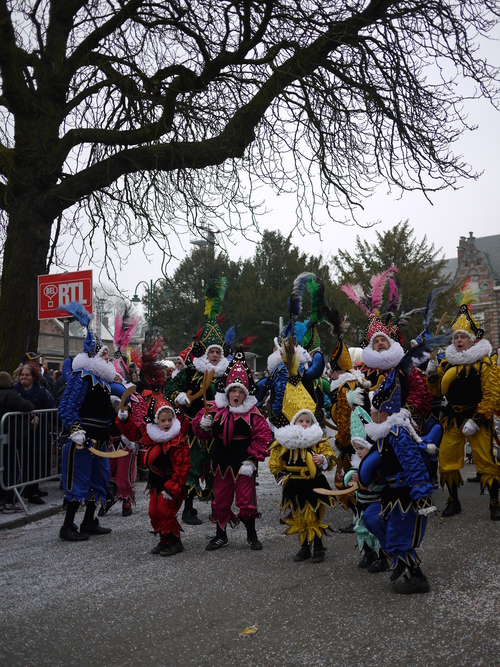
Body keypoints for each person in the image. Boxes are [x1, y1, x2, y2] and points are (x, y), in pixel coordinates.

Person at [358, 370, 435, 594]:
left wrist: (421, 493)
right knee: (373, 519)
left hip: (405, 495)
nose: (370, 416)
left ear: (381, 413)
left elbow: (413, 464)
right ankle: (400, 561)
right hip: (391, 493)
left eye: (372, 411)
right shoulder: (385, 434)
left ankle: (417, 578)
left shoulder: (398, 433)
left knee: (399, 537)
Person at [426, 288, 500, 520]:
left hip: (478, 419)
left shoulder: (485, 364)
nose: (458, 340)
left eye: (463, 337)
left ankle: (495, 503)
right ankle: (453, 501)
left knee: (487, 462)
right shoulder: (446, 363)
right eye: (456, 337)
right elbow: (437, 392)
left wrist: (478, 420)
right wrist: (430, 376)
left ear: (472, 340)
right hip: (452, 418)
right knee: (446, 461)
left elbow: (492, 395)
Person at [165, 277, 231, 524]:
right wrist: (178, 396)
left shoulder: (229, 374)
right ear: (204, 353)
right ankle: (188, 509)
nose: (214, 355)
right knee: (192, 469)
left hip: (218, 430)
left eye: (217, 352)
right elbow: (169, 387)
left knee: (215, 470)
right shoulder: (191, 371)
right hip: (193, 429)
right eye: (211, 352)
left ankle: (217, 508)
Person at [192, 350, 272, 551]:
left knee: (246, 501)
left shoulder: (254, 415)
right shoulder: (214, 409)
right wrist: (203, 425)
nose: (236, 395)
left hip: (243, 462)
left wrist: (251, 460)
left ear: (246, 394)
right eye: (233, 391)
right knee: (220, 500)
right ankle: (221, 536)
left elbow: (263, 439)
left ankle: (252, 536)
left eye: (240, 392)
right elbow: (201, 434)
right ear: (227, 392)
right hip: (220, 461)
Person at [57, 301, 122, 542]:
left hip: (101, 441)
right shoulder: (82, 376)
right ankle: (67, 526)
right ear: (92, 355)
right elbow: (67, 405)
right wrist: (74, 428)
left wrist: (118, 419)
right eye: (103, 353)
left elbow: (106, 412)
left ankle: (88, 522)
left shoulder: (104, 382)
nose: (107, 356)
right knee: (79, 481)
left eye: (107, 353)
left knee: (99, 480)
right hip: (82, 439)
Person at [117, 395, 190, 556]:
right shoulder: (151, 435)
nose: (167, 424)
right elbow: (133, 433)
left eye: (169, 420)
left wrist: (174, 487)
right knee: (153, 512)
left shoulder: (177, 440)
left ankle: (175, 542)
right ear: (157, 422)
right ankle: (164, 540)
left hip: (171, 481)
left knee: (166, 511)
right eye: (163, 421)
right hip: (155, 479)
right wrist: (124, 419)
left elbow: (183, 466)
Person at [268, 404, 337, 563]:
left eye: (308, 421)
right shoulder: (283, 443)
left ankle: (318, 546)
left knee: (314, 514)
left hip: (314, 483)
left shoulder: (318, 440)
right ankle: (304, 546)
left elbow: (330, 457)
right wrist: (282, 477)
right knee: (299, 515)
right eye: (301, 421)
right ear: (294, 423)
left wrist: (323, 460)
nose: (305, 424)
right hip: (293, 484)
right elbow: (275, 463)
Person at [343, 406, 388, 573]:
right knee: (361, 528)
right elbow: (349, 477)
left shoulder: (377, 464)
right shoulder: (358, 463)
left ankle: (383, 557)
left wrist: (365, 480)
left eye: (362, 448)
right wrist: (349, 478)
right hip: (361, 504)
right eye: (357, 449)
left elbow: (379, 481)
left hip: (376, 503)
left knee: (377, 529)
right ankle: (368, 553)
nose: (359, 453)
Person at [13, 362, 55, 504]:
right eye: (22, 375)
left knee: (36, 461)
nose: (24, 377)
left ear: (34, 377)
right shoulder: (15, 391)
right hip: (20, 434)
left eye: (27, 375)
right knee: (22, 461)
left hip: (38, 433)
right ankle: (21, 490)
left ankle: (33, 491)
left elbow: (51, 408)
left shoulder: (42, 391)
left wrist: (39, 417)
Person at [0, 371, 35, 513]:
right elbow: (28, 406)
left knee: (3, 469)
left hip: (4, 437)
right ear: (10, 383)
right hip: (11, 438)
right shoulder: (11, 394)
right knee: (14, 470)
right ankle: (11, 502)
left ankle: (3, 500)